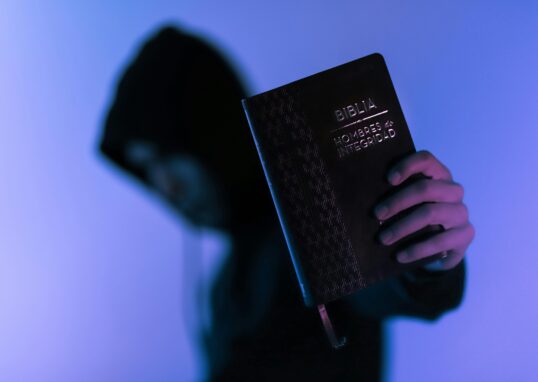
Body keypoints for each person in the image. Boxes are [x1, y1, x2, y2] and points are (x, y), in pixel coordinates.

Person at [99, 25, 474, 381]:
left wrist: (427, 255)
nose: (166, 186)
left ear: (211, 134)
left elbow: (383, 284)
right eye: (147, 169)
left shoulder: (318, 228)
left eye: (167, 155)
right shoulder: (223, 285)